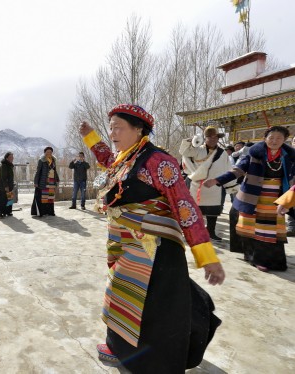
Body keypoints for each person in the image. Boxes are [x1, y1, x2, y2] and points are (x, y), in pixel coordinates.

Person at [80, 104, 225, 373]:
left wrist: (208, 258)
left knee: (155, 310)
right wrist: (90, 136)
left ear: (139, 129)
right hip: (127, 245)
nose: (112, 132)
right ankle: (120, 349)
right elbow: (105, 159)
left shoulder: (159, 162)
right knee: (122, 297)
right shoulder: (125, 156)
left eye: (118, 127)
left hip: (154, 248)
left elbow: (186, 208)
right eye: (110, 127)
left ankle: (155, 364)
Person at [204, 126, 295, 272]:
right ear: (265, 138)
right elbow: (237, 170)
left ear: (285, 140)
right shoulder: (254, 154)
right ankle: (256, 258)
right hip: (254, 196)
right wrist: (216, 180)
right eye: (271, 138)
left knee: (272, 231)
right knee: (254, 228)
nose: (274, 141)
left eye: (279, 138)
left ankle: (275, 261)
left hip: (277, 199)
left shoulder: (289, 156)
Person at [180, 126, 235, 241]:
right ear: (205, 138)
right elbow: (184, 152)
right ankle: (192, 232)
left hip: (214, 186)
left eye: (215, 137)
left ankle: (211, 232)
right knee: (194, 211)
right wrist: (190, 142)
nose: (212, 139)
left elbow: (227, 168)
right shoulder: (197, 149)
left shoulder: (222, 153)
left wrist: (230, 184)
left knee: (212, 211)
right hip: (197, 185)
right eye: (209, 137)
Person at [31, 146, 60, 217]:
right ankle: (43, 212)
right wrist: (36, 182)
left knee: (50, 197)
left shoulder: (53, 160)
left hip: (52, 181)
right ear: (45, 153)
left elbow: (55, 170)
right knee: (44, 197)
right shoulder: (41, 160)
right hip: (44, 181)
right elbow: (38, 172)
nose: (49, 153)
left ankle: (50, 212)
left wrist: (57, 179)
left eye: (50, 152)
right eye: (47, 152)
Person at [0, 152, 15, 218]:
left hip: (10, 185)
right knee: (2, 199)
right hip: (3, 186)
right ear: (7, 158)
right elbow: (3, 177)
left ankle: (8, 211)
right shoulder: (4, 165)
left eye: (12, 157)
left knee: (10, 199)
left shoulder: (10, 165)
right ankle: (0, 212)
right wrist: (6, 186)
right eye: (10, 157)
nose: (12, 158)